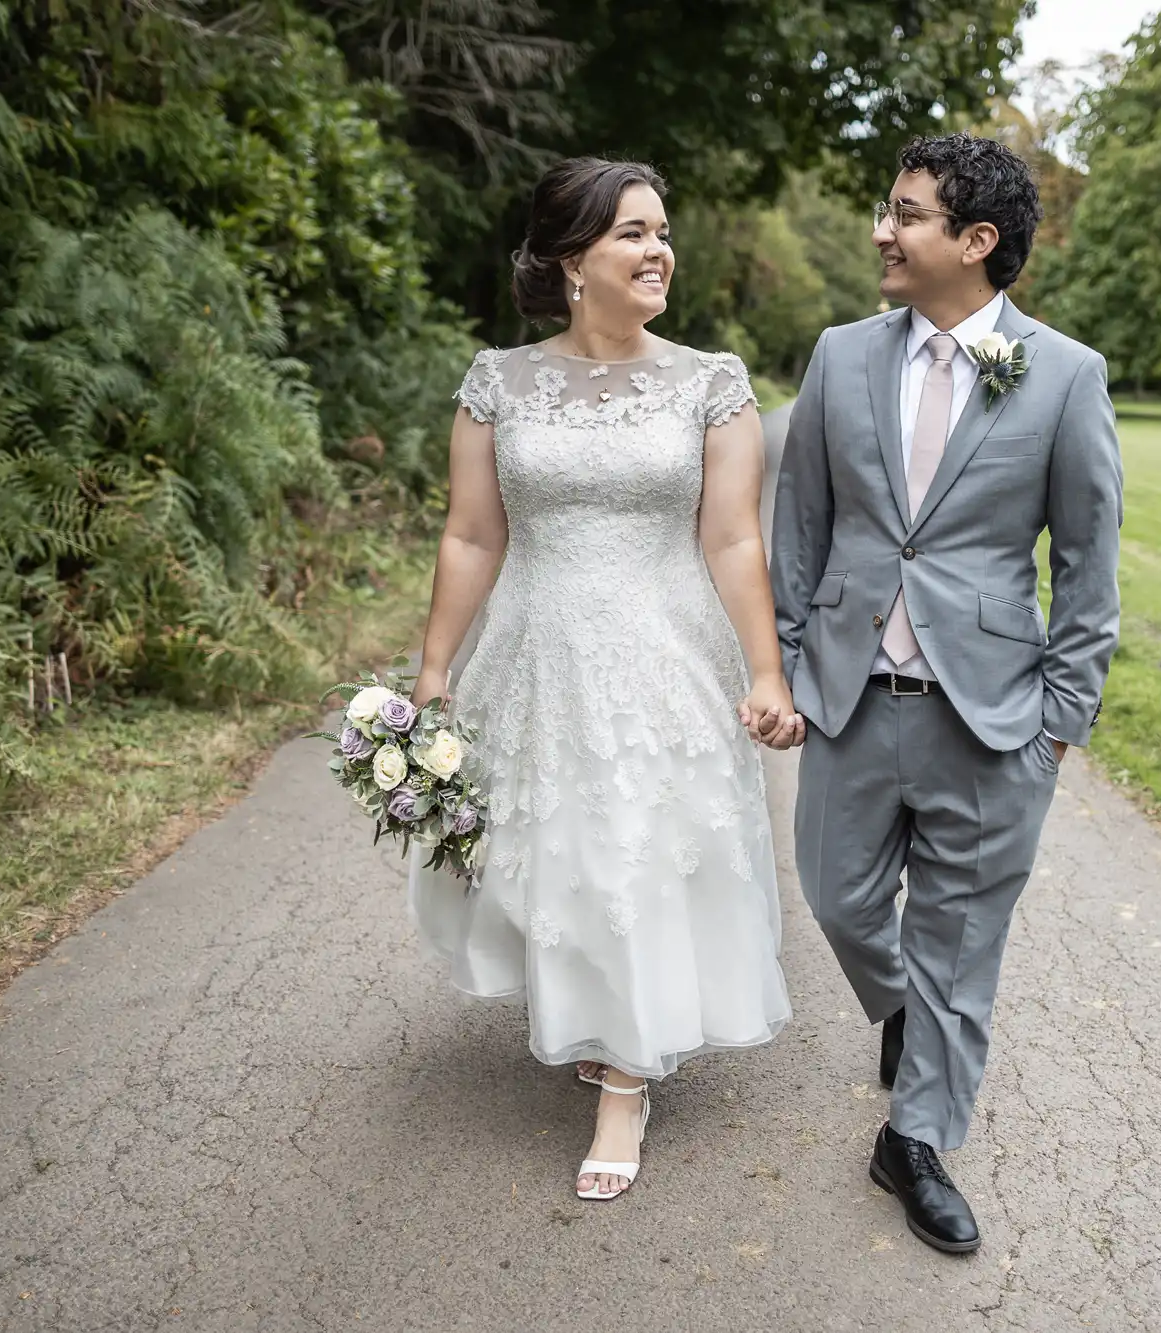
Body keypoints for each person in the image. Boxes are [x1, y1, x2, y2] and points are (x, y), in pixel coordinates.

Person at [408, 157, 797, 1202]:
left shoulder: (709, 383)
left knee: (638, 849)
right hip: (533, 649)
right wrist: (435, 665)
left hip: (661, 653)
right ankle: (600, 1014)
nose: (659, 248)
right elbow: (470, 534)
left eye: (662, 230)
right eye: (633, 231)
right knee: (560, 848)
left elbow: (731, 542)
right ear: (573, 259)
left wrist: (764, 669)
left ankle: (626, 1083)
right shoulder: (498, 382)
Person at [769, 134, 1123, 1253]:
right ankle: (904, 1013)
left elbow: (1087, 560)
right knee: (834, 897)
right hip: (853, 699)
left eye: (906, 214)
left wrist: (1057, 726)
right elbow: (803, 529)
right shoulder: (838, 355)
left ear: (975, 243)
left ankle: (913, 1138)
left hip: (991, 718)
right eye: (887, 209)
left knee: (962, 942)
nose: (883, 230)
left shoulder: (1064, 376)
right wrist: (782, 664)